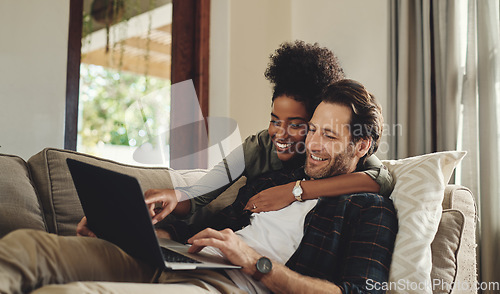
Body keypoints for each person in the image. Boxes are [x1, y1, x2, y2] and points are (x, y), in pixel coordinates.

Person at [0, 79, 397, 294]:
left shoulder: (369, 209)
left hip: (228, 283)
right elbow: (205, 210)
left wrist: (253, 261)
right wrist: (130, 230)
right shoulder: (273, 176)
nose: (310, 143)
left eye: (328, 135)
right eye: (311, 129)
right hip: (181, 260)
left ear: (361, 144)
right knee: (26, 246)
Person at [142, 41, 393, 226]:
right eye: (275, 121)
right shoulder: (259, 146)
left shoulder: (338, 152)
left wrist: (294, 190)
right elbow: (202, 192)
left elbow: (381, 179)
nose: (280, 134)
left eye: (296, 125)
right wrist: (175, 195)